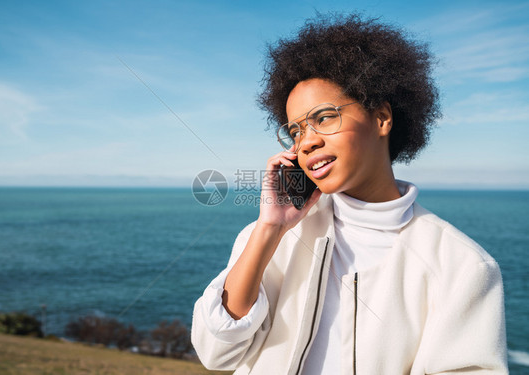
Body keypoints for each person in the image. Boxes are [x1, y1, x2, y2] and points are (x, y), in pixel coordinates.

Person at [191, 14, 508, 374]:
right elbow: (216, 354)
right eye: (295, 130)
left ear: (382, 118)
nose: (307, 141)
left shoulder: (461, 266)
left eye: (324, 117)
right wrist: (270, 229)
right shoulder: (271, 237)